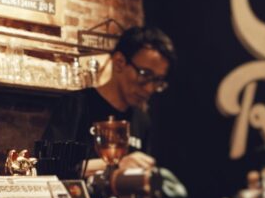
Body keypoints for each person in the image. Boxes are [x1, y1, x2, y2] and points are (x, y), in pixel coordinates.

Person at [42, 26, 176, 176]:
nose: (150, 88)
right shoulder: (76, 105)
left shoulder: (142, 121)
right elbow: (49, 168)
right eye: (144, 74)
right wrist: (116, 164)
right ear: (119, 62)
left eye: (157, 80)